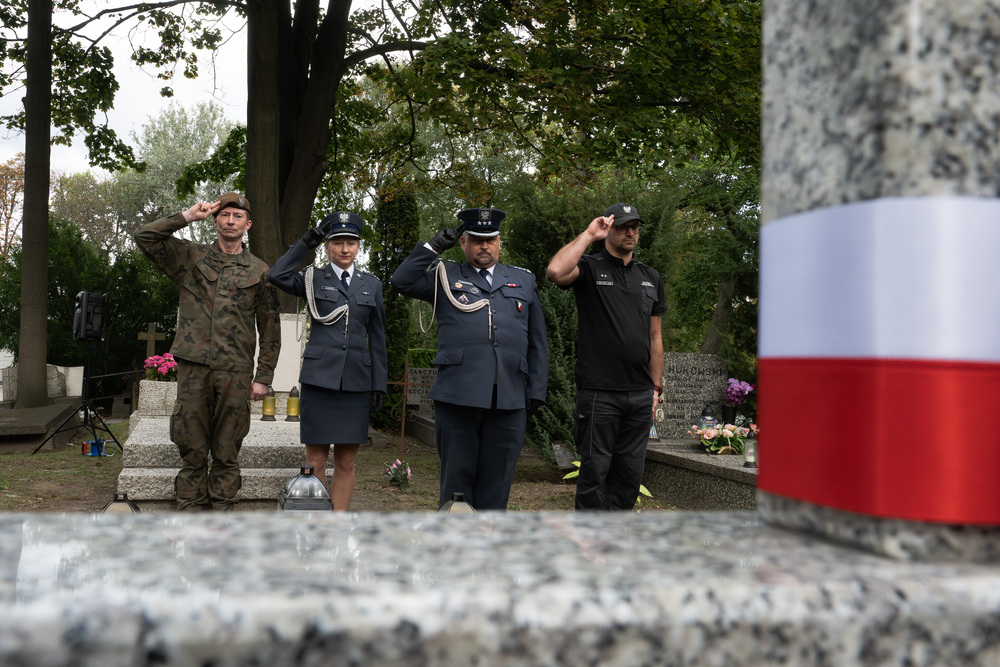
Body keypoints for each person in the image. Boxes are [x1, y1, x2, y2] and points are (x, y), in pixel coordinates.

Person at [391, 208, 548, 510]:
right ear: (463, 242)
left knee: (498, 484)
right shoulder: (444, 275)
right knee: (456, 485)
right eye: (476, 240)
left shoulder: (523, 280)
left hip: (508, 399)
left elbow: (537, 341)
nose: (484, 246)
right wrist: (433, 247)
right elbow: (401, 281)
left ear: (499, 242)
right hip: (458, 397)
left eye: (490, 240)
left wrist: (536, 390)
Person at [134, 192, 281, 511]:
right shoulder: (191, 258)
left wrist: (263, 376)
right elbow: (144, 237)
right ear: (215, 221)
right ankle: (189, 512)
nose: (230, 221)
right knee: (191, 446)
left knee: (228, 449)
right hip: (194, 368)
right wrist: (187, 216)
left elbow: (270, 328)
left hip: (235, 371)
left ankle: (222, 515)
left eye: (238, 216)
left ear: (248, 225)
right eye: (224, 215)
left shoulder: (260, 271)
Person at [546, 202, 666, 510]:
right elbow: (556, 271)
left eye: (634, 227)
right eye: (623, 226)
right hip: (600, 393)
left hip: (639, 394)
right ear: (609, 229)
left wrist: (655, 389)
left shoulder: (650, 277)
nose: (630, 232)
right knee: (594, 474)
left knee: (629, 476)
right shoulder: (589, 267)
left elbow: (655, 337)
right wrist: (589, 235)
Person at [268, 211, 388, 511]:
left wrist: (379, 384)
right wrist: (306, 240)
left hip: (356, 382)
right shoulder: (312, 278)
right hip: (319, 380)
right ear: (327, 247)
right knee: (315, 461)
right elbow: (277, 275)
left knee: (347, 462)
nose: (345, 249)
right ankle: (316, 524)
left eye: (351, 243)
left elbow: (377, 339)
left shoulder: (371, 284)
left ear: (358, 247)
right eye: (337, 243)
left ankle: (338, 526)